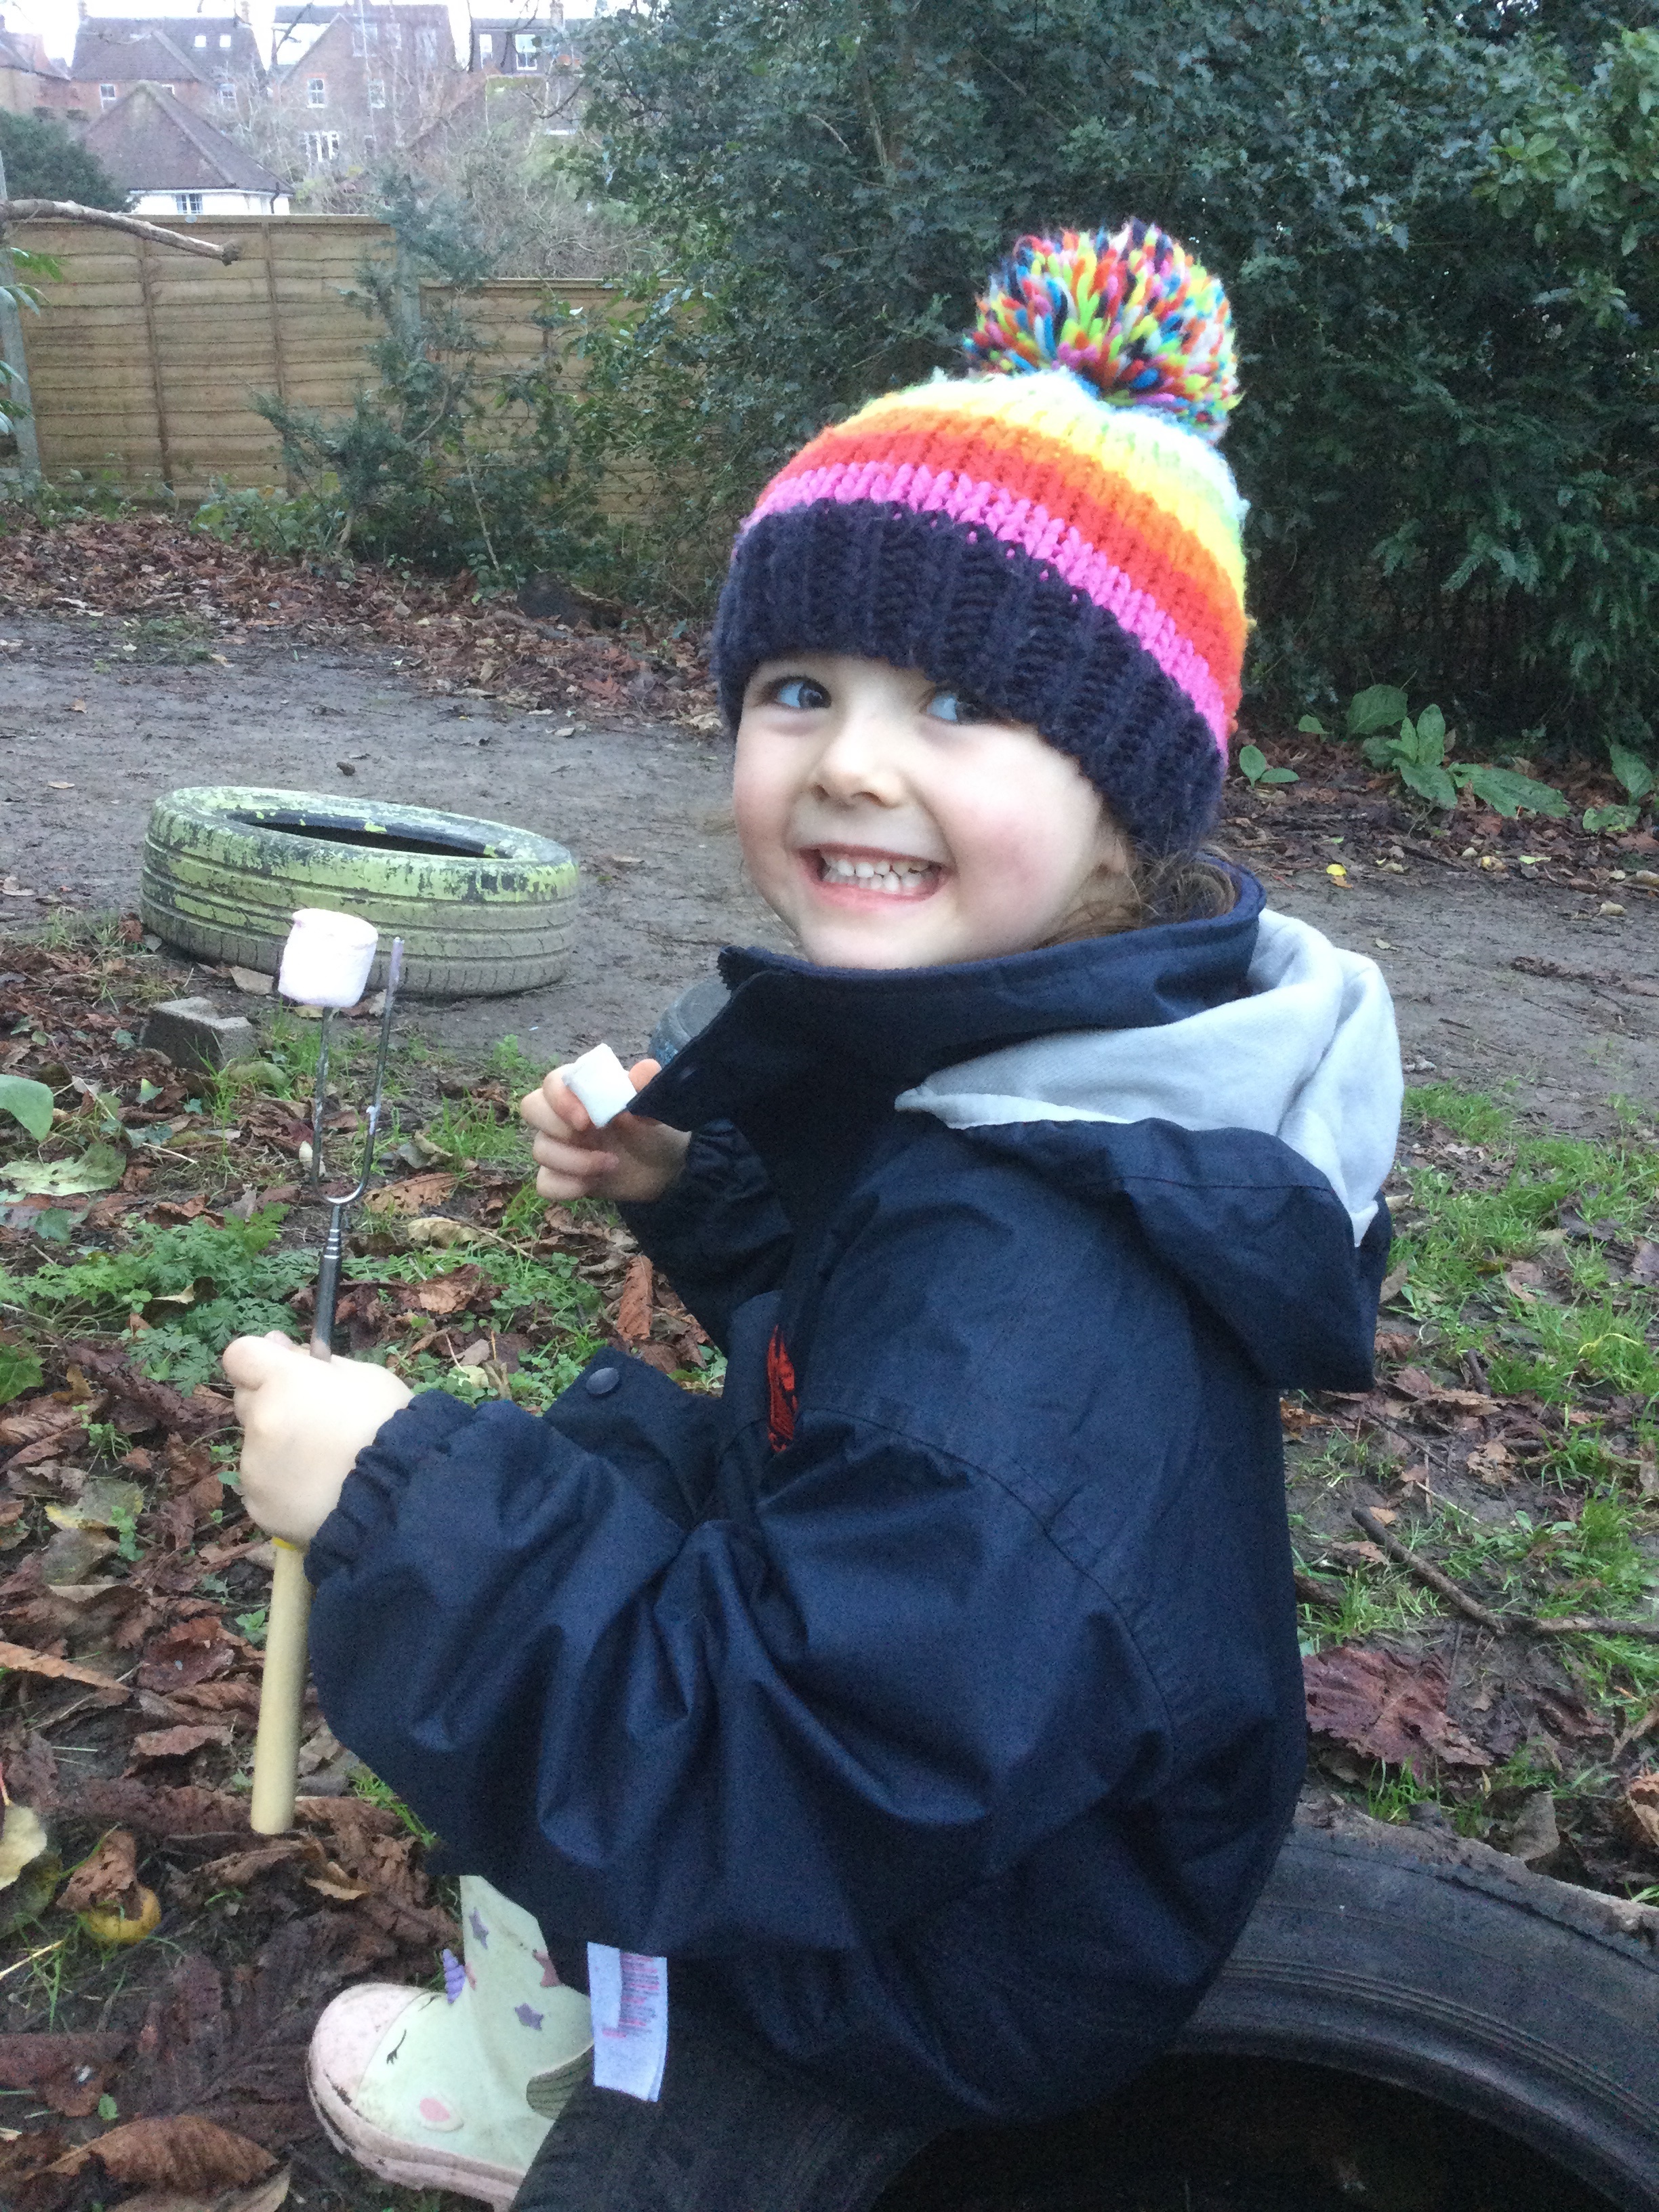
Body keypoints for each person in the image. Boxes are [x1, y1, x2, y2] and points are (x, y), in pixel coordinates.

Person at [224, 218, 1403, 2212]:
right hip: (984, 1762)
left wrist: (396, 1506)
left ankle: (562, 2086)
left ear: (1129, 797)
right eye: (798, 683)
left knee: (529, 1582)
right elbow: (882, 1366)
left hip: (969, 1949)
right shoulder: (1041, 1087)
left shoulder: (1050, 1284)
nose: (853, 758)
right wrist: (708, 1201)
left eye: (961, 700)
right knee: (603, 1472)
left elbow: (783, 1762)